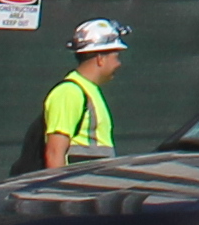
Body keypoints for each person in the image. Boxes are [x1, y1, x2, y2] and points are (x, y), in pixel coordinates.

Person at [20, 17, 128, 175]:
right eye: (116, 57)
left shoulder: (88, 91)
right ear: (100, 58)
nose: (119, 64)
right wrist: (61, 188)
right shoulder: (69, 93)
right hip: (78, 187)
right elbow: (55, 153)